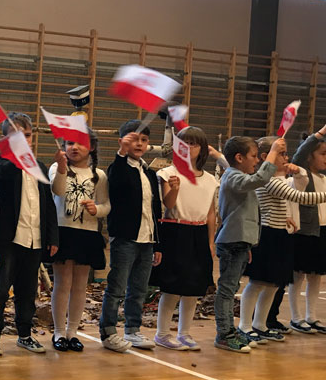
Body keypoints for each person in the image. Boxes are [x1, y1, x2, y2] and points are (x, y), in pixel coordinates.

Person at [239, 136, 326, 346]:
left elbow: (288, 198)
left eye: (286, 153)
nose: (286, 157)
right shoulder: (268, 180)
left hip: (280, 234)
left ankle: (260, 325)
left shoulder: (279, 179)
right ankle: (244, 326)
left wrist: (286, 217)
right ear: (265, 156)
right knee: (257, 283)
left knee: (273, 284)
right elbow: (300, 197)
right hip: (267, 236)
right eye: (281, 153)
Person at [0, 114, 58, 356]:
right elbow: (4, 175)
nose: (24, 140)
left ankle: (25, 334)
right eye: (16, 136)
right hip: (8, 239)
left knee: (27, 291)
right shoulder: (0, 164)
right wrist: (16, 155)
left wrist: (52, 237)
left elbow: (48, 204)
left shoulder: (40, 167)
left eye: (27, 135)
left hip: (34, 238)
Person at [149, 127, 218, 351]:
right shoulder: (167, 173)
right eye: (184, 143)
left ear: (202, 149)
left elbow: (211, 213)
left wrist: (210, 241)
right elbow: (168, 204)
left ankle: (184, 333)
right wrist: (175, 189)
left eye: (194, 143)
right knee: (172, 287)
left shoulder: (210, 180)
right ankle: (162, 333)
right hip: (175, 231)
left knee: (194, 287)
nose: (188, 147)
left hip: (199, 232)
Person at [213, 136, 281, 353]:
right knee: (226, 290)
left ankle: (230, 332)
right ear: (239, 158)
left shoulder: (239, 175)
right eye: (254, 156)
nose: (257, 161)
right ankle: (224, 334)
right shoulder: (233, 176)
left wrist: (249, 243)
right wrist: (273, 153)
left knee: (232, 288)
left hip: (241, 242)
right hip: (231, 241)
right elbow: (259, 179)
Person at [99, 120, 162, 352]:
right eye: (134, 139)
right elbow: (116, 182)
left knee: (139, 289)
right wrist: (121, 154)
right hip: (125, 238)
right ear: (122, 141)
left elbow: (155, 210)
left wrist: (158, 244)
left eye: (144, 140)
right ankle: (108, 331)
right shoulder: (118, 168)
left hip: (147, 239)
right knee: (116, 287)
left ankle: (133, 329)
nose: (139, 144)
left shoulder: (149, 173)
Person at [48, 131, 109, 353]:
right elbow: (57, 190)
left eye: (80, 143)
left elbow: (106, 205)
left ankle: (73, 332)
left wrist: (97, 209)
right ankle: (58, 332)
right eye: (69, 143)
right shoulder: (56, 168)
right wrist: (61, 168)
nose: (74, 147)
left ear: (91, 147)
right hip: (63, 232)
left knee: (81, 285)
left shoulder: (99, 175)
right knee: (62, 283)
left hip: (87, 234)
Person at [288, 118, 326, 334]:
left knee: (316, 277)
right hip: (304, 234)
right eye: (323, 153)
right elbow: (298, 156)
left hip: (323, 233)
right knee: (297, 277)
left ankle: (311, 317)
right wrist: (324, 130)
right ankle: (296, 318)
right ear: (310, 155)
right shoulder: (301, 174)